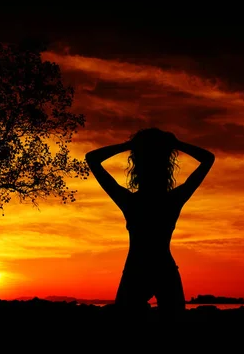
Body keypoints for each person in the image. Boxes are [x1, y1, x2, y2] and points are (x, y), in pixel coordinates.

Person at [85, 128, 215, 319]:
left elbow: (93, 158)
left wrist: (129, 146)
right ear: (166, 170)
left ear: (138, 170)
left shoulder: (130, 201)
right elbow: (207, 159)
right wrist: (176, 144)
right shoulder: (173, 199)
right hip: (163, 269)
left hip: (137, 268)